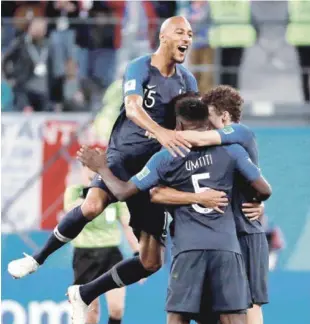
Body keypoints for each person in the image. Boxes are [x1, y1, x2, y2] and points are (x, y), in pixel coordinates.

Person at [8, 16, 225, 295]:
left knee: (151, 261)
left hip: (153, 170)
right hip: (121, 158)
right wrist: (161, 132)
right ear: (163, 37)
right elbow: (133, 108)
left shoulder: (187, 79)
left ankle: (84, 293)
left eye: (191, 34)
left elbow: (187, 120)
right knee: (91, 206)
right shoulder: (140, 67)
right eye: (180, 32)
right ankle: (37, 259)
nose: (187, 38)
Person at [73, 95, 272, 324]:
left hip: (190, 249)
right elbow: (263, 188)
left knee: (179, 322)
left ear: (177, 125)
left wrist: (102, 168)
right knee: (236, 320)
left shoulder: (166, 157)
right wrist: (256, 202)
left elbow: (126, 191)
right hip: (228, 248)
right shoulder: (231, 151)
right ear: (205, 123)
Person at [154, 86, 269, 324]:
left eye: (210, 118)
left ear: (225, 118)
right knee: (209, 313)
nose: (206, 124)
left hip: (245, 232)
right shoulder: (220, 152)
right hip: (223, 237)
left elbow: (199, 137)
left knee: (249, 309)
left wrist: (159, 133)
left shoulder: (240, 133)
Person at [64, 164, 140, 324]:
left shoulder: (114, 193)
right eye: (90, 169)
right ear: (83, 170)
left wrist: (138, 254)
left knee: (117, 308)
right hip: (85, 254)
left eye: (98, 169)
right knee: (91, 311)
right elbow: (71, 210)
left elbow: (128, 225)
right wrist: (91, 192)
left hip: (111, 254)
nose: (94, 173)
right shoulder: (74, 192)